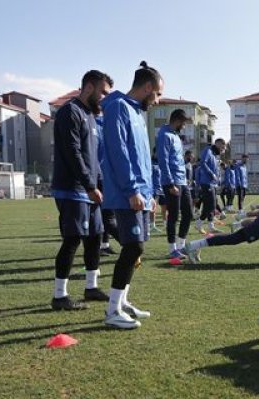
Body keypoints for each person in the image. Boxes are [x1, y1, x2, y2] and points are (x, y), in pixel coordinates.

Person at [100, 61, 163, 329]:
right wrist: (132, 190)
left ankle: (122, 301)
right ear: (147, 87)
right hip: (128, 194)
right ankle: (112, 310)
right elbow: (119, 153)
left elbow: (143, 160)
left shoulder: (138, 113)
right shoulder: (118, 108)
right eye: (157, 93)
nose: (158, 100)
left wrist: (150, 194)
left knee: (137, 248)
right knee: (133, 247)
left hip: (141, 194)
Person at [51, 70, 112, 310]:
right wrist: (88, 185)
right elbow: (72, 152)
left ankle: (91, 287)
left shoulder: (91, 116)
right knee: (73, 239)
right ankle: (59, 296)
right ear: (89, 87)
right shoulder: (69, 112)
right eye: (103, 92)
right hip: (72, 189)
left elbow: (94, 158)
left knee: (95, 238)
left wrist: (98, 185)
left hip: (90, 190)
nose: (104, 98)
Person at [158, 109, 193, 259]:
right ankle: (172, 249)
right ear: (177, 121)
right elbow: (163, 161)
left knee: (189, 213)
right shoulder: (164, 135)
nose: (184, 127)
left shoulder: (176, 136)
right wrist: (170, 183)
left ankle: (181, 245)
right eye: (184, 123)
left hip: (182, 181)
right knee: (173, 215)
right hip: (172, 182)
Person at [95, 114, 119, 257]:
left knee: (106, 215)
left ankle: (104, 245)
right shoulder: (94, 124)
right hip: (99, 176)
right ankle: (128, 244)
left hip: (107, 176)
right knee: (107, 216)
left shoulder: (107, 125)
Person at [196, 138, 225, 234]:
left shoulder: (215, 155)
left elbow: (216, 169)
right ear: (217, 144)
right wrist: (211, 174)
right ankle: (207, 225)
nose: (222, 149)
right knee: (211, 205)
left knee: (209, 206)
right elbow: (202, 163)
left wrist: (218, 180)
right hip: (206, 183)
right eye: (221, 146)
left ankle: (200, 224)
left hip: (213, 183)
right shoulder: (208, 150)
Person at [150, 151, 164, 233]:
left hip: (159, 189)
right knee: (151, 208)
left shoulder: (160, 163)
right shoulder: (151, 164)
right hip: (152, 189)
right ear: (154, 153)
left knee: (154, 209)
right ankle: (150, 226)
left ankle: (153, 225)